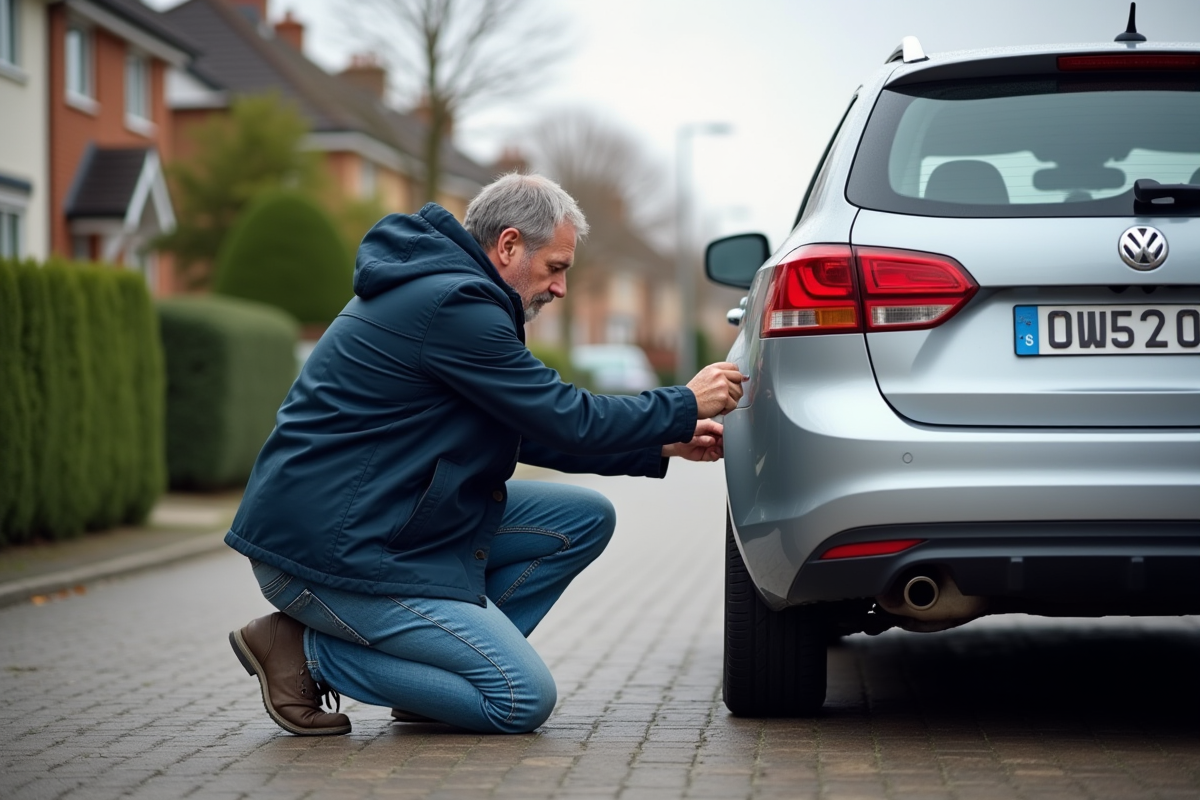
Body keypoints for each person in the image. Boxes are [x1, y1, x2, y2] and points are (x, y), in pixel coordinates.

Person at [226, 173, 745, 736]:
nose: (561, 288)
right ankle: (302, 652)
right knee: (521, 699)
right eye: (557, 267)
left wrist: (658, 439)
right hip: (325, 554)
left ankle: (436, 682)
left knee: (582, 519)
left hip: (385, 522)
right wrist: (682, 401)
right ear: (509, 245)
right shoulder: (454, 303)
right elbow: (562, 415)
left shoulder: (454, 293)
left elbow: (523, 429)